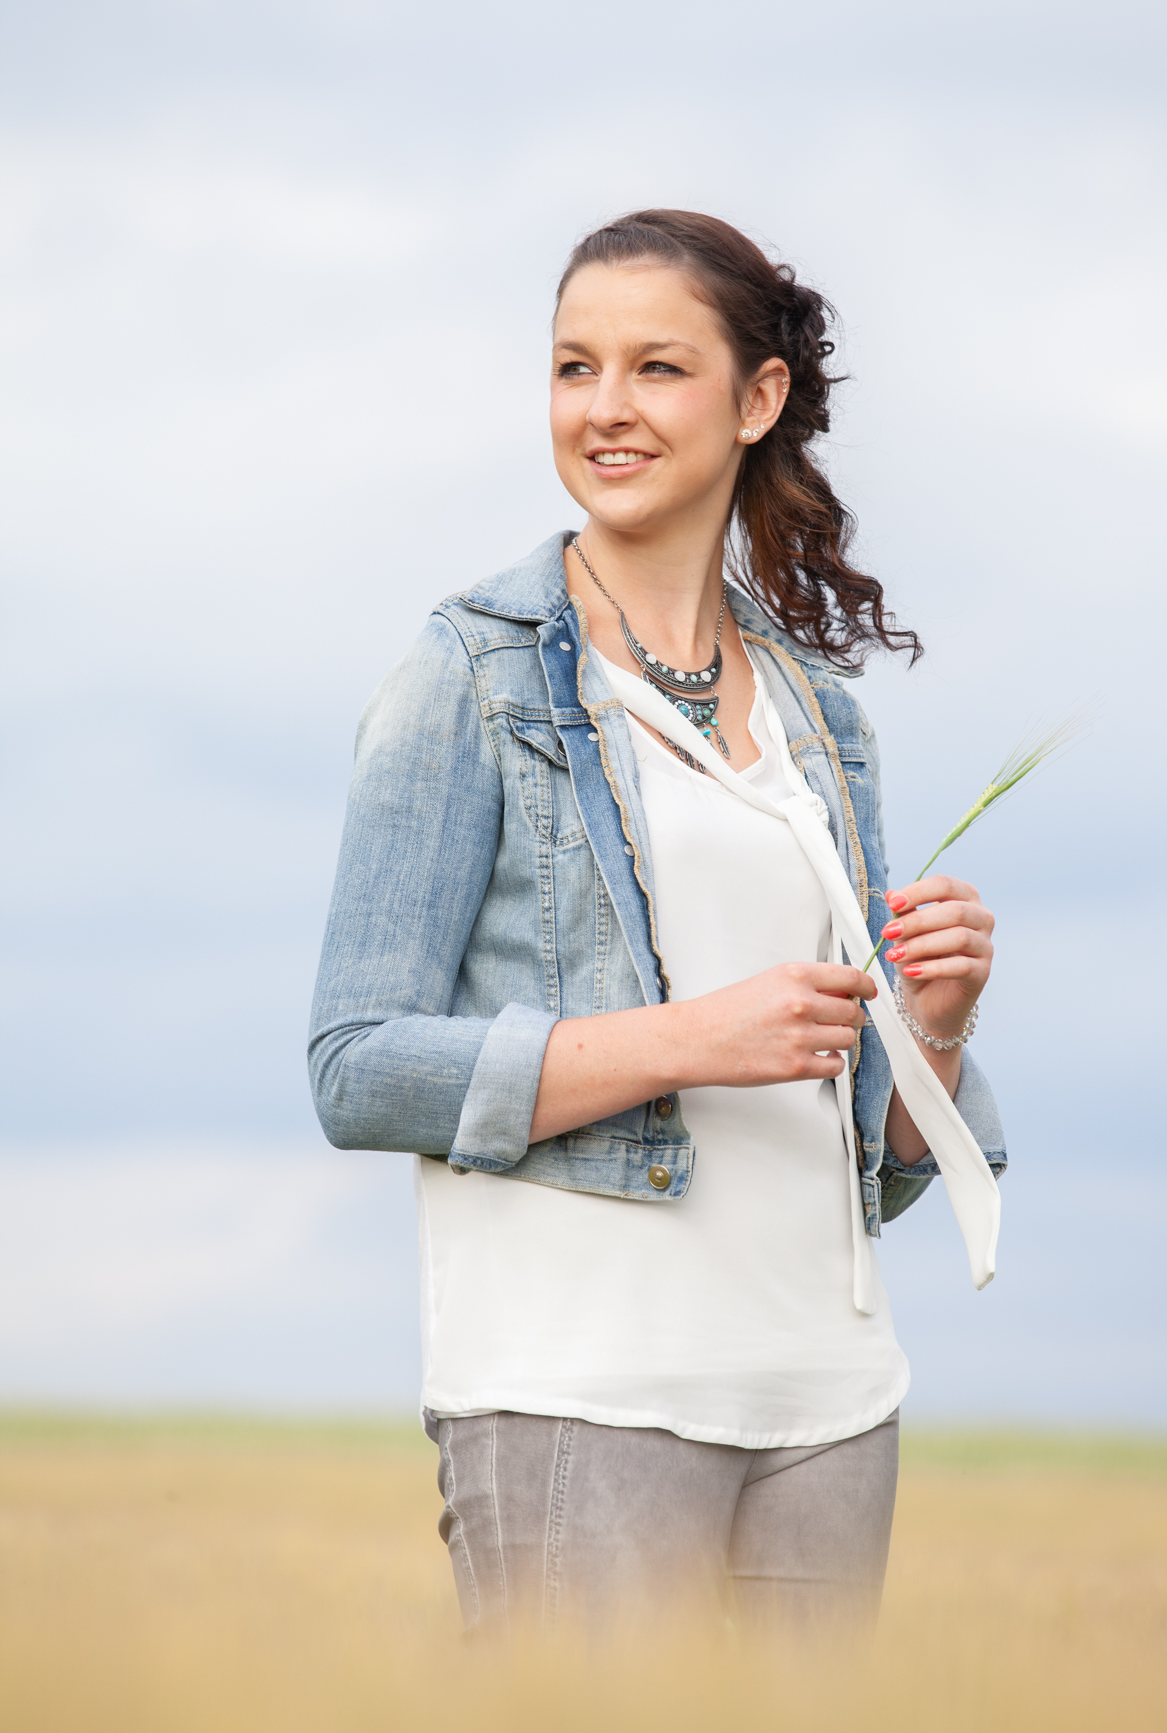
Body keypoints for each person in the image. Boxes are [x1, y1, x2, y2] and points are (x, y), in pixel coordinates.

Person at [308, 209, 1006, 1639]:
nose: (605, 410)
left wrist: (931, 1025)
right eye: (574, 368)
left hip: (830, 1393)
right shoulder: (469, 677)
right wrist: (694, 1037)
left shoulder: (824, 717)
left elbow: (875, 1161)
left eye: (655, 369)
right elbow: (357, 1066)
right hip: (581, 1386)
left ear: (758, 400)